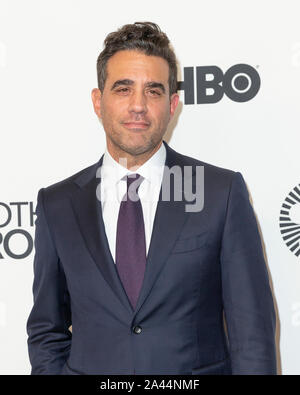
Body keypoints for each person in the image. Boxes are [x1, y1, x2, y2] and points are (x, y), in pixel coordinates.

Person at [26, 21, 277, 375]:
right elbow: (46, 330)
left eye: (154, 91)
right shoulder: (58, 204)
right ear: (99, 102)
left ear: (173, 104)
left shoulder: (220, 193)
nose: (138, 106)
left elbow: (252, 338)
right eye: (123, 89)